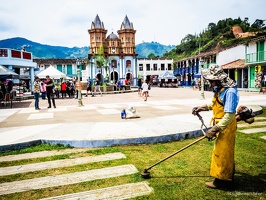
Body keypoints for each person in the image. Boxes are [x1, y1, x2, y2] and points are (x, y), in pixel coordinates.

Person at [192, 64, 239, 190]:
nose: (211, 83)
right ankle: (225, 177)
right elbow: (215, 104)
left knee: (223, 153)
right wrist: (201, 108)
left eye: (212, 81)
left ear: (219, 79)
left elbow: (229, 115)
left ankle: (222, 182)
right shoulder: (221, 90)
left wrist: (215, 129)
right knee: (222, 152)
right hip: (220, 125)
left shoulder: (230, 92)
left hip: (226, 126)